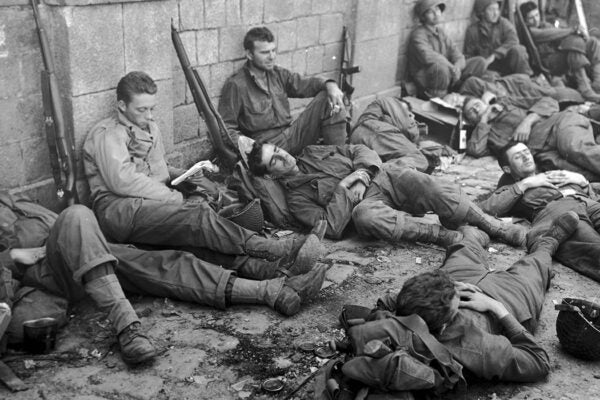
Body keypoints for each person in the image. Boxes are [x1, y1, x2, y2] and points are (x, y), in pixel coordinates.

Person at [1, 193, 327, 364]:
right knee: (76, 215)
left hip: (80, 250)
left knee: (163, 262)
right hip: (46, 271)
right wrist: (9, 258)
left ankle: (269, 288)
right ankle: (127, 325)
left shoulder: (13, 199)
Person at [83, 71, 323, 264]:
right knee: (197, 217)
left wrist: (190, 174)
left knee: (200, 227)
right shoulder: (108, 134)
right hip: (119, 210)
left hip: (147, 202)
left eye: (152, 108)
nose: (149, 115)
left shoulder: (148, 127)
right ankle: (274, 249)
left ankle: (267, 269)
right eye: (141, 109)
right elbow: (122, 181)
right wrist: (173, 197)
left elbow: (157, 170)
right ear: (121, 106)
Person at [387, 211, 579, 381]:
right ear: (445, 325)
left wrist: (450, 286)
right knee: (535, 265)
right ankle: (547, 244)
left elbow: (387, 303)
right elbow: (539, 362)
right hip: (508, 299)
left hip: (454, 282)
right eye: (457, 300)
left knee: (463, 248)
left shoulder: (396, 321)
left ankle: (473, 235)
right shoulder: (475, 348)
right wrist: (498, 309)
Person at [247, 142, 527, 247]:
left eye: (277, 150)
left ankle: (492, 225)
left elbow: (358, 149)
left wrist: (365, 172)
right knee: (366, 217)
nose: (282, 156)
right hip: (368, 204)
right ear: (271, 175)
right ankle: (446, 237)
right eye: (274, 160)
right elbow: (330, 227)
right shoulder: (296, 200)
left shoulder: (312, 151)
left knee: (426, 183)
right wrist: (346, 186)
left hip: (385, 177)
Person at [479, 141, 600, 282]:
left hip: (587, 201)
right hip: (558, 210)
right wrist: (526, 183)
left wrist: (583, 182)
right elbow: (486, 208)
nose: (526, 157)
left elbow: (593, 194)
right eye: (518, 157)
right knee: (594, 248)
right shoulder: (511, 188)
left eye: (526, 152)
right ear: (507, 168)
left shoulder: (551, 173)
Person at [218, 27, 347, 156]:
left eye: (273, 51)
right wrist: (252, 149)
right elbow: (226, 128)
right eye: (265, 52)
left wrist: (331, 85)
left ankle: (339, 157)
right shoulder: (236, 85)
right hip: (268, 148)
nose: (272, 57)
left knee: (328, 97)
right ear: (249, 55)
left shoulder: (278, 74)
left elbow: (306, 84)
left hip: (293, 136)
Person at [462, 94, 600, 181]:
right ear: (472, 121)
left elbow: (549, 100)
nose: (476, 109)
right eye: (471, 112)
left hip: (556, 126)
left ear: (484, 102)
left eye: (476, 105)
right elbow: (475, 149)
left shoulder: (507, 102)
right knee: (582, 175)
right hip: (543, 154)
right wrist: (483, 120)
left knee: (574, 149)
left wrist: (527, 121)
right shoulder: (486, 134)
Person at [520, 1, 600, 102]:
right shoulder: (530, 32)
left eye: (537, 15)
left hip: (558, 57)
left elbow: (559, 35)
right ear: (525, 21)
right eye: (531, 18)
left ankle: (598, 83)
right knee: (573, 51)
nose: (535, 19)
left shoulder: (545, 25)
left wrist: (579, 35)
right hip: (549, 64)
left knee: (592, 42)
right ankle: (586, 90)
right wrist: (571, 30)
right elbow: (550, 34)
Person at [407, 0, 487, 98]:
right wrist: (452, 68)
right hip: (428, 79)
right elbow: (429, 57)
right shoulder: (418, 34)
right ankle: (438, 100)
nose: (436, 14)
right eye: (430, 12)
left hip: (448, 75)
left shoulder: (440, 33)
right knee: (440, 67)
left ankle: (460, 93)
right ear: (423, 17)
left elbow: (457, 55)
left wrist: (457, 68)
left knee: (479, 62)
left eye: (437, 9)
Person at [349, 97, 429, 172]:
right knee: (419, 160)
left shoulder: (376, 117)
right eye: (406, 113)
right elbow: (410, 130)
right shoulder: (390, 103)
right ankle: (374, 171)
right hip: (376, 131)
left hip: (361, 137)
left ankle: (373, 170)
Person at [465, 0, 533, 77]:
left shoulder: (503, 23)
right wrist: (482, 65)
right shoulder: (473, 31)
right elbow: (469, 56)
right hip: (489, 70)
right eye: (491, 10)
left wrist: (495, 55)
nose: (496, 13)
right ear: (482, 12)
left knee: (519, 50)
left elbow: (513, 40)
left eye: (497, 9)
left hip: (506, 65)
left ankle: (526, 80)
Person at [459, 73, 584, 109]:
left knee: (546, 95)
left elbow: (498, 93)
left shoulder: (475, 83)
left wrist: (487, 99)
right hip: (516, 88)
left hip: (517, 86)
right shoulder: (472, 87)